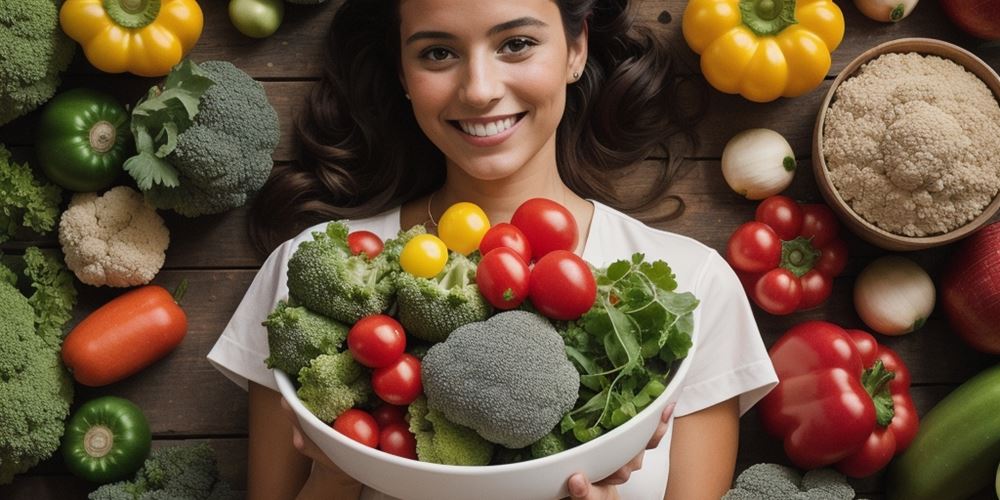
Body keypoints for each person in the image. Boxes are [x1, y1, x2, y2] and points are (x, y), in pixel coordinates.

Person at [207, 0, 778, 499]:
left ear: (576, 49)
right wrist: (339, 473)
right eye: (436, 53)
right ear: (403, 73)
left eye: (517, 44)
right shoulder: (313, 276)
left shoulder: (691, 285)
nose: (479, 89)